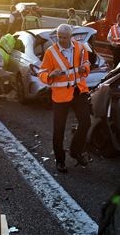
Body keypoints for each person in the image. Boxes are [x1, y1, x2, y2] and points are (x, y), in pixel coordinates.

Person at [38, 24, 91, 173]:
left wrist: (84, 68)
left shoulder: (80, 48)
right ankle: (60, 160)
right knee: (59, 129)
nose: (61, 40)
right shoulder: (50, 52)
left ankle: (76, 151)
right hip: (60, 96)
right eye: (59, 37)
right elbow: (41, 72)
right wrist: (50, 76)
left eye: (64, 37)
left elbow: (86, 62)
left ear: (70, 37)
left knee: (86, 122)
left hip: (78, 91)